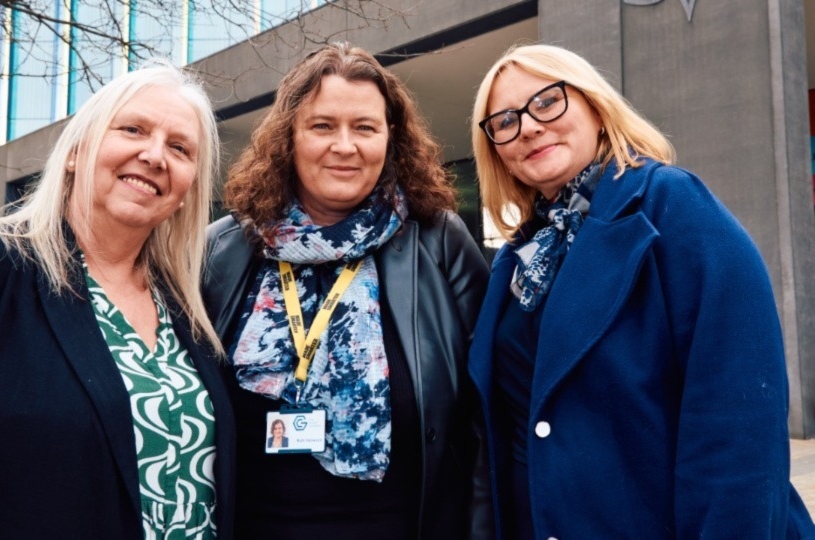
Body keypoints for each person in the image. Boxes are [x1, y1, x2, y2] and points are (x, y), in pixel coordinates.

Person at [0, 61, 235, 539]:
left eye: (180, 148)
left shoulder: (190, 307)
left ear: (186, 192)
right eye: (133, 129)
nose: (155, 155)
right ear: (76, 152)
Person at [468, 43, 815, 539]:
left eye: (547, 101)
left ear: (595, 107)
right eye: (504, 121)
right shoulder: (519, 255)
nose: (527, 125)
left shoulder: (673, 206)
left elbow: (738, 428)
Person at [203, 42, 493, 539]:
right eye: (322, 126)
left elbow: (486, 414)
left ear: (391, 138)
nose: (345, 145)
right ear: (288, 136)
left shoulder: (440, 241)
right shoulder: (224, 250)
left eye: (364, 127)